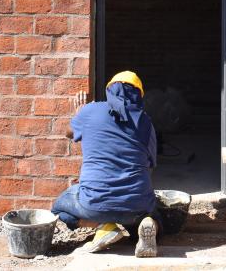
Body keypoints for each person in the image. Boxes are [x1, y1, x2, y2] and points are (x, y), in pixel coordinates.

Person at [51, 71, 159, 256]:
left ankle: (105, 226)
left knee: (60, 207)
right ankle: (147, 226)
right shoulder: (145, 122)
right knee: (154, 213)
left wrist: (79, 115)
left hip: (94, 204)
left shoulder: (90, 111)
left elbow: (69, 132)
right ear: (139, 95)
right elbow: (150, 163)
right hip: (136, 206)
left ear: (109, 90)